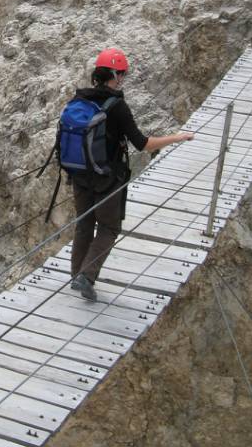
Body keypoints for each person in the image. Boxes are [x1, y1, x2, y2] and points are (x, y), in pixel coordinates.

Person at [69, 49, 194, 302]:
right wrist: (178, 138)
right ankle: (87, 275)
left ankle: (76, 275)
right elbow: (143, 144)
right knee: (108, 227)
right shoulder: (118, 106)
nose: (123, 78)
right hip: (106, 177)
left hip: (80, 174)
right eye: (122, 73)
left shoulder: (80, 99)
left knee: (84, 224)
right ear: (115, 74)